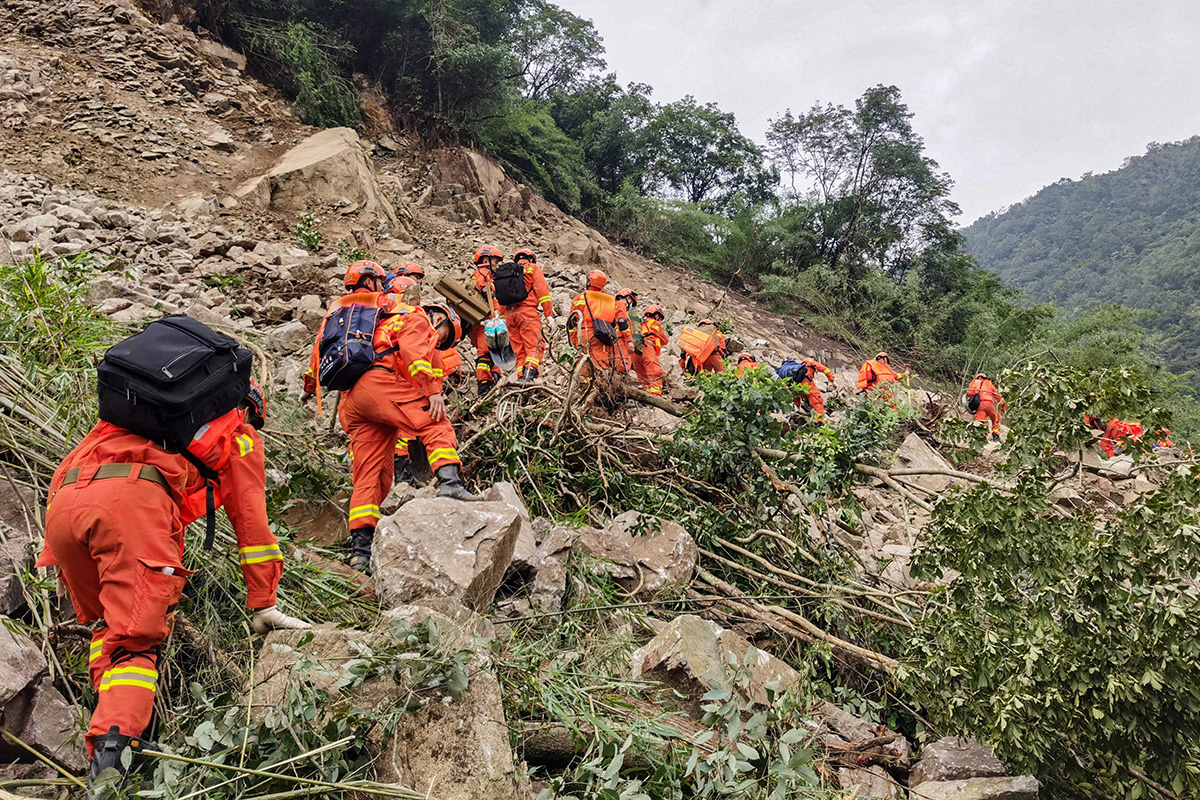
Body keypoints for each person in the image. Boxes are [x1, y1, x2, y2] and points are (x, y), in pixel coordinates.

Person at [38, 379, 309, 782]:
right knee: (136, 643)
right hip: (129, 507)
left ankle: (115, 720)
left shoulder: (136, 415)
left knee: (108, 629)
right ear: (250, 408)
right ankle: (113, 762)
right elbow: (252, 525)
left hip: (64, 505)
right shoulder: (239, 432)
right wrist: (263, 600)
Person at [335, 298, 477, 573]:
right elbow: (414, 353)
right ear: (441, 320)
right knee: (436, 423)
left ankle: (361, 552)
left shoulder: (380, 321)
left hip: (353, 401)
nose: (440, 342)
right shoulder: (417, 318)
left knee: (373, 475)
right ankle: (450, 485)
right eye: (446, 337)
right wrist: (432, 392)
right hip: (379, 385)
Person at [499, 248, 556, 381]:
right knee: (535, 345)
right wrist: (548, 314)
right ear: (531, 259)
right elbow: (542, 292)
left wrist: (502, 317)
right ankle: (529, 375)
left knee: (519, 351)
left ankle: (520, 378)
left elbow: (501, 296)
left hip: (509, 316)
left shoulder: (508, 272)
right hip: (527, 313)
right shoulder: (533, 268)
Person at [567, 270, 633, 378]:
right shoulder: (612, 301)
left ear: (589, 281)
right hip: (602, 335)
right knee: (599, 364)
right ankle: (594, 387)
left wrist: (574, 341)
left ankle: (583, 387)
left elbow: (572, 323)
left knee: (584, 363)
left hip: (584, 334)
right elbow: (621, 322)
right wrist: (629, 340)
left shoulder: (579, 298)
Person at [470, 246, 504, 395]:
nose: (497, 266)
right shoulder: (483, 274)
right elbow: (487, 292)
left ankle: (493, 377)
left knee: (490, 351)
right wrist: (496, 310)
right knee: (484, 353)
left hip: (482, 322)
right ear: (485, 260)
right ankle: (484, 385)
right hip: (484, 322)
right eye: (495, 262)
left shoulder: (482, 275)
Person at [783, 358, 836, 422]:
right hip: (807, 385)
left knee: (798, 399)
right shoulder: (810, 363)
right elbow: (824, 369)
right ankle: (819, 421)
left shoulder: (797, 369)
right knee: (817, 403)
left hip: (796, 387)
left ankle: (795, 413)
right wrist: (832, 379)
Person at [638, 304, 670, 395]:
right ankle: (655, 392)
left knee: (642, 371)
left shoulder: (639, 322)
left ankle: (646, 391)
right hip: (647, 347)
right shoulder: (655, 323)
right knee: (654, 369)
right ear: (656, 315)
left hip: (635, 349)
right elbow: (665, 340)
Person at [967, 373, 1006, 443]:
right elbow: (998, 396)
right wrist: (1003, 407)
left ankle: (982, 436)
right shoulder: (989, 383)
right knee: (996, 418)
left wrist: (969, 400)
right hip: (989, 403)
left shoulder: (974, 382)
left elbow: (970, 392)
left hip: (980, 404)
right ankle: (996, 436)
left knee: (980, 421)